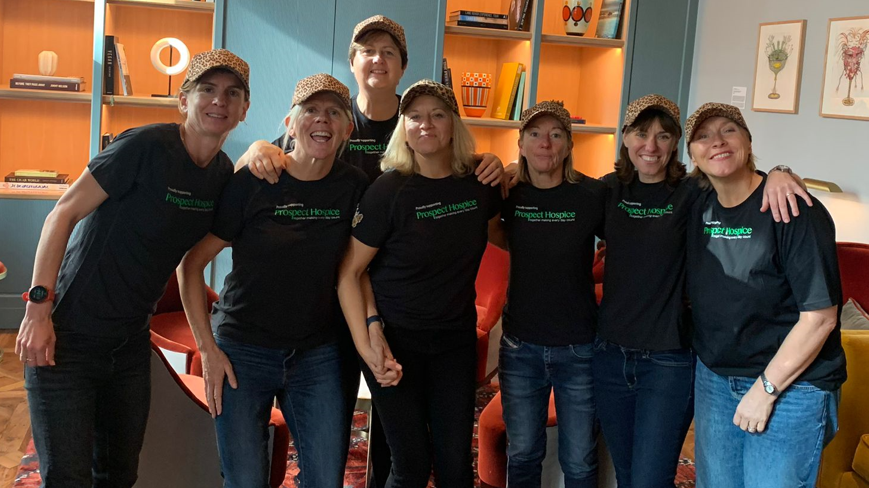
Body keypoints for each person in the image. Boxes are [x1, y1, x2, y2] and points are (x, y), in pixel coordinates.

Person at [15, 49, 250, 487]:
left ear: (243, 109)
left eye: (232, 93)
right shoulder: (143, 146)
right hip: (70, 336)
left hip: (129, 346)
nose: (219, 100)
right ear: (184, 99)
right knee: (66, 477)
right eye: (208, 90)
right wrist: (38, 310)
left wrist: (207, 346)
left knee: (119, 474)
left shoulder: (221, 175)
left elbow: (191, 266)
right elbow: (61, 213)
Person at [591, 94, 811, 488]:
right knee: (623, 473)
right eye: (641, 134)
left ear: (676, 143)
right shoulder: (608, 191)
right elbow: (556, 205)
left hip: (669, 360)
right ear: (625, 137)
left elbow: (742, 181)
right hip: (610, 355)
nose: (651, 146)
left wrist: (780, 170)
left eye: (663, 136)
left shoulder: (694, 192)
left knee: (649, 478)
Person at [178, 73, 367, 488]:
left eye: (335, 112)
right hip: (242, 351)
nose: (323, 120)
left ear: (347, 129)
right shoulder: (254, 180)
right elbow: (191, 264)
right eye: (311, 110)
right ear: (289, 122)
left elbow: (359, 269)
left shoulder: (354, 187)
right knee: (245, 480)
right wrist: (206, 350)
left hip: (318, 355)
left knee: (325, 480)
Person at [337, 79, 501, 488]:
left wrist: (511, 167)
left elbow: (509, 236)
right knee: (409, 466)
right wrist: (369, 343)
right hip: (397, 343)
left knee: (455, 468)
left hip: (454, 343)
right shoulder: (388, 189)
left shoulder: (479, 185)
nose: (425, 124)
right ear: (403, 127)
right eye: (414, 116)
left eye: (437, 114)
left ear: (453, 124)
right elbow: (349, 273)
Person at [685, 103, 845, 488]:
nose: (717, 142)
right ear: (691, 154)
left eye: (729, 131)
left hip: (791, 387)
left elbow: (821, 317)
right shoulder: (697, 203)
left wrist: (766, 389)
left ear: (748, 141)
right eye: (703, 136)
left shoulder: (792, 210)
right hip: (716, 378)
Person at [488, 100, 605, 488]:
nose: (546, 143)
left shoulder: (590, 195)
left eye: (556, 135)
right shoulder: (508, 192)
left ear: (569, 145)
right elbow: (496, 233)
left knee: (581, 458)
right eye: (535, 134)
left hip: (580, 348)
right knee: (523, 454)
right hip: (522, 348)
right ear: (520, 144)